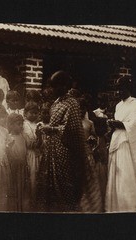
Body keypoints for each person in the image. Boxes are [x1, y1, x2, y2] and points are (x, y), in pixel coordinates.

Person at [36, 70, 87, 212]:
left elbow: (72, 129)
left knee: (65, 183)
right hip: (52, 149)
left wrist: (50, 129)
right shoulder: (55, 103)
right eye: (51, 86)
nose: (52, 90)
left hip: (65, 150)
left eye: (55, 86)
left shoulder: (72, 103)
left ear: (64, 86)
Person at [105, 75, 136, 212]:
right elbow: (119, 123)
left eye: (122, 89)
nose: (119, 92)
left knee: (124, 175)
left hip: (126, 144)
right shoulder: (118, 105)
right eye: (118, 90)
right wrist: (112, 125)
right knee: (115, 174)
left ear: (129, 89)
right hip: (116, 141)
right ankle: (114, 207)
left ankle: (126, 208)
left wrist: (121, 124)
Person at [79, 98, 103, 212]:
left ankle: (89, 204)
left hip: (87, 152)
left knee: (88, 179)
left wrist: (92, 139)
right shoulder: (71, 122)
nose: (81, 110)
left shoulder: (89, 123)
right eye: (79, 108)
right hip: (76, 152)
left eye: (83, 108)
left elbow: (95, 136)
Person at [6, 113, 30, 212]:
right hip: (13, 168)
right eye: (18, 124)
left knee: (23, 188)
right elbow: (7, 153)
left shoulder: (23, 136)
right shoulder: (9, 137)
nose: (20, 126)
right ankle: (15, 209)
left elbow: (27, 149)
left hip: (23, 166)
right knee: (14, 188)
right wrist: (9, 147)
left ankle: (22, 209)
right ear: (11, 125)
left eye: (21, 124)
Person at [22, 101, 40, 207]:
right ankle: (30, 202)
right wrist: (38, 137)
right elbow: (29, 143)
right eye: (31, 113)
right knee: (31, 177)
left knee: (38, 177)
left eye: (36, 113)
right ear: (26, 113)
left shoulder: (38, 124)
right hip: (30, 154)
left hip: (38, 154)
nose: (34, 115)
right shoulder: (24, 125)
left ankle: (37, 201)